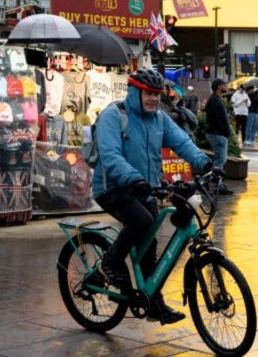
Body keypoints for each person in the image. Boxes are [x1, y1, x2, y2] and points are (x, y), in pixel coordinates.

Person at [91, 68, 213, 325]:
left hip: (145, 189)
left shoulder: (159, 119)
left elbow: (182, 142)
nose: (153, 99)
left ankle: (154, 305)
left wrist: (205, 163)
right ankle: (109, 263)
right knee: (141, 222)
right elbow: (111, 156)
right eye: (148, 93)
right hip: (113, 187)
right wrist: (133, 178)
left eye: (157, 94)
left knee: (149, 245)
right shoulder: (114, 116)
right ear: (134, 91)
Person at [204, 79, 233, 195]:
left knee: (220, 160)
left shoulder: (216, 99)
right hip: (217, 134)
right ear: (219, 86)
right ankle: (217, 186)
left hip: (218, 134)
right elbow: (215, 119)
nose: (226, 86)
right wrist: (224, 131)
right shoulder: (214, 101)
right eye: (224, 84)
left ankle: (215, 184)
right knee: (219, 161)